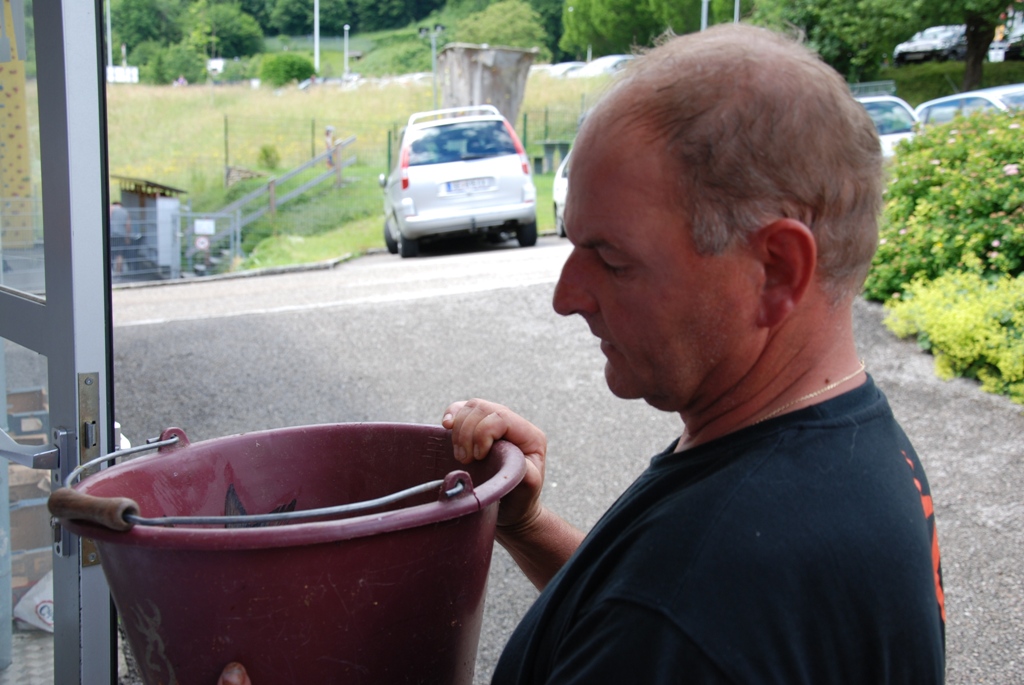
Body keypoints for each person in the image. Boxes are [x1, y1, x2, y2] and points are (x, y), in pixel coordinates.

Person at [219, 24, 945, 684]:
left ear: (776, 271)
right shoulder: (839, 448)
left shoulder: (705, 592)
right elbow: (634, 620)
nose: (566, 297)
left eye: (612, 259)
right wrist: (526, 526)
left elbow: (670, 620)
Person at [109, 201, 132, 276]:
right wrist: (127, 237)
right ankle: (118, 273)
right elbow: (128, 226)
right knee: (119, 254)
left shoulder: (111, 209)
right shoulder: (125, 212)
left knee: (110, 254)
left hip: (111, 235)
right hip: (121, 235)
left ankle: (110, 272)